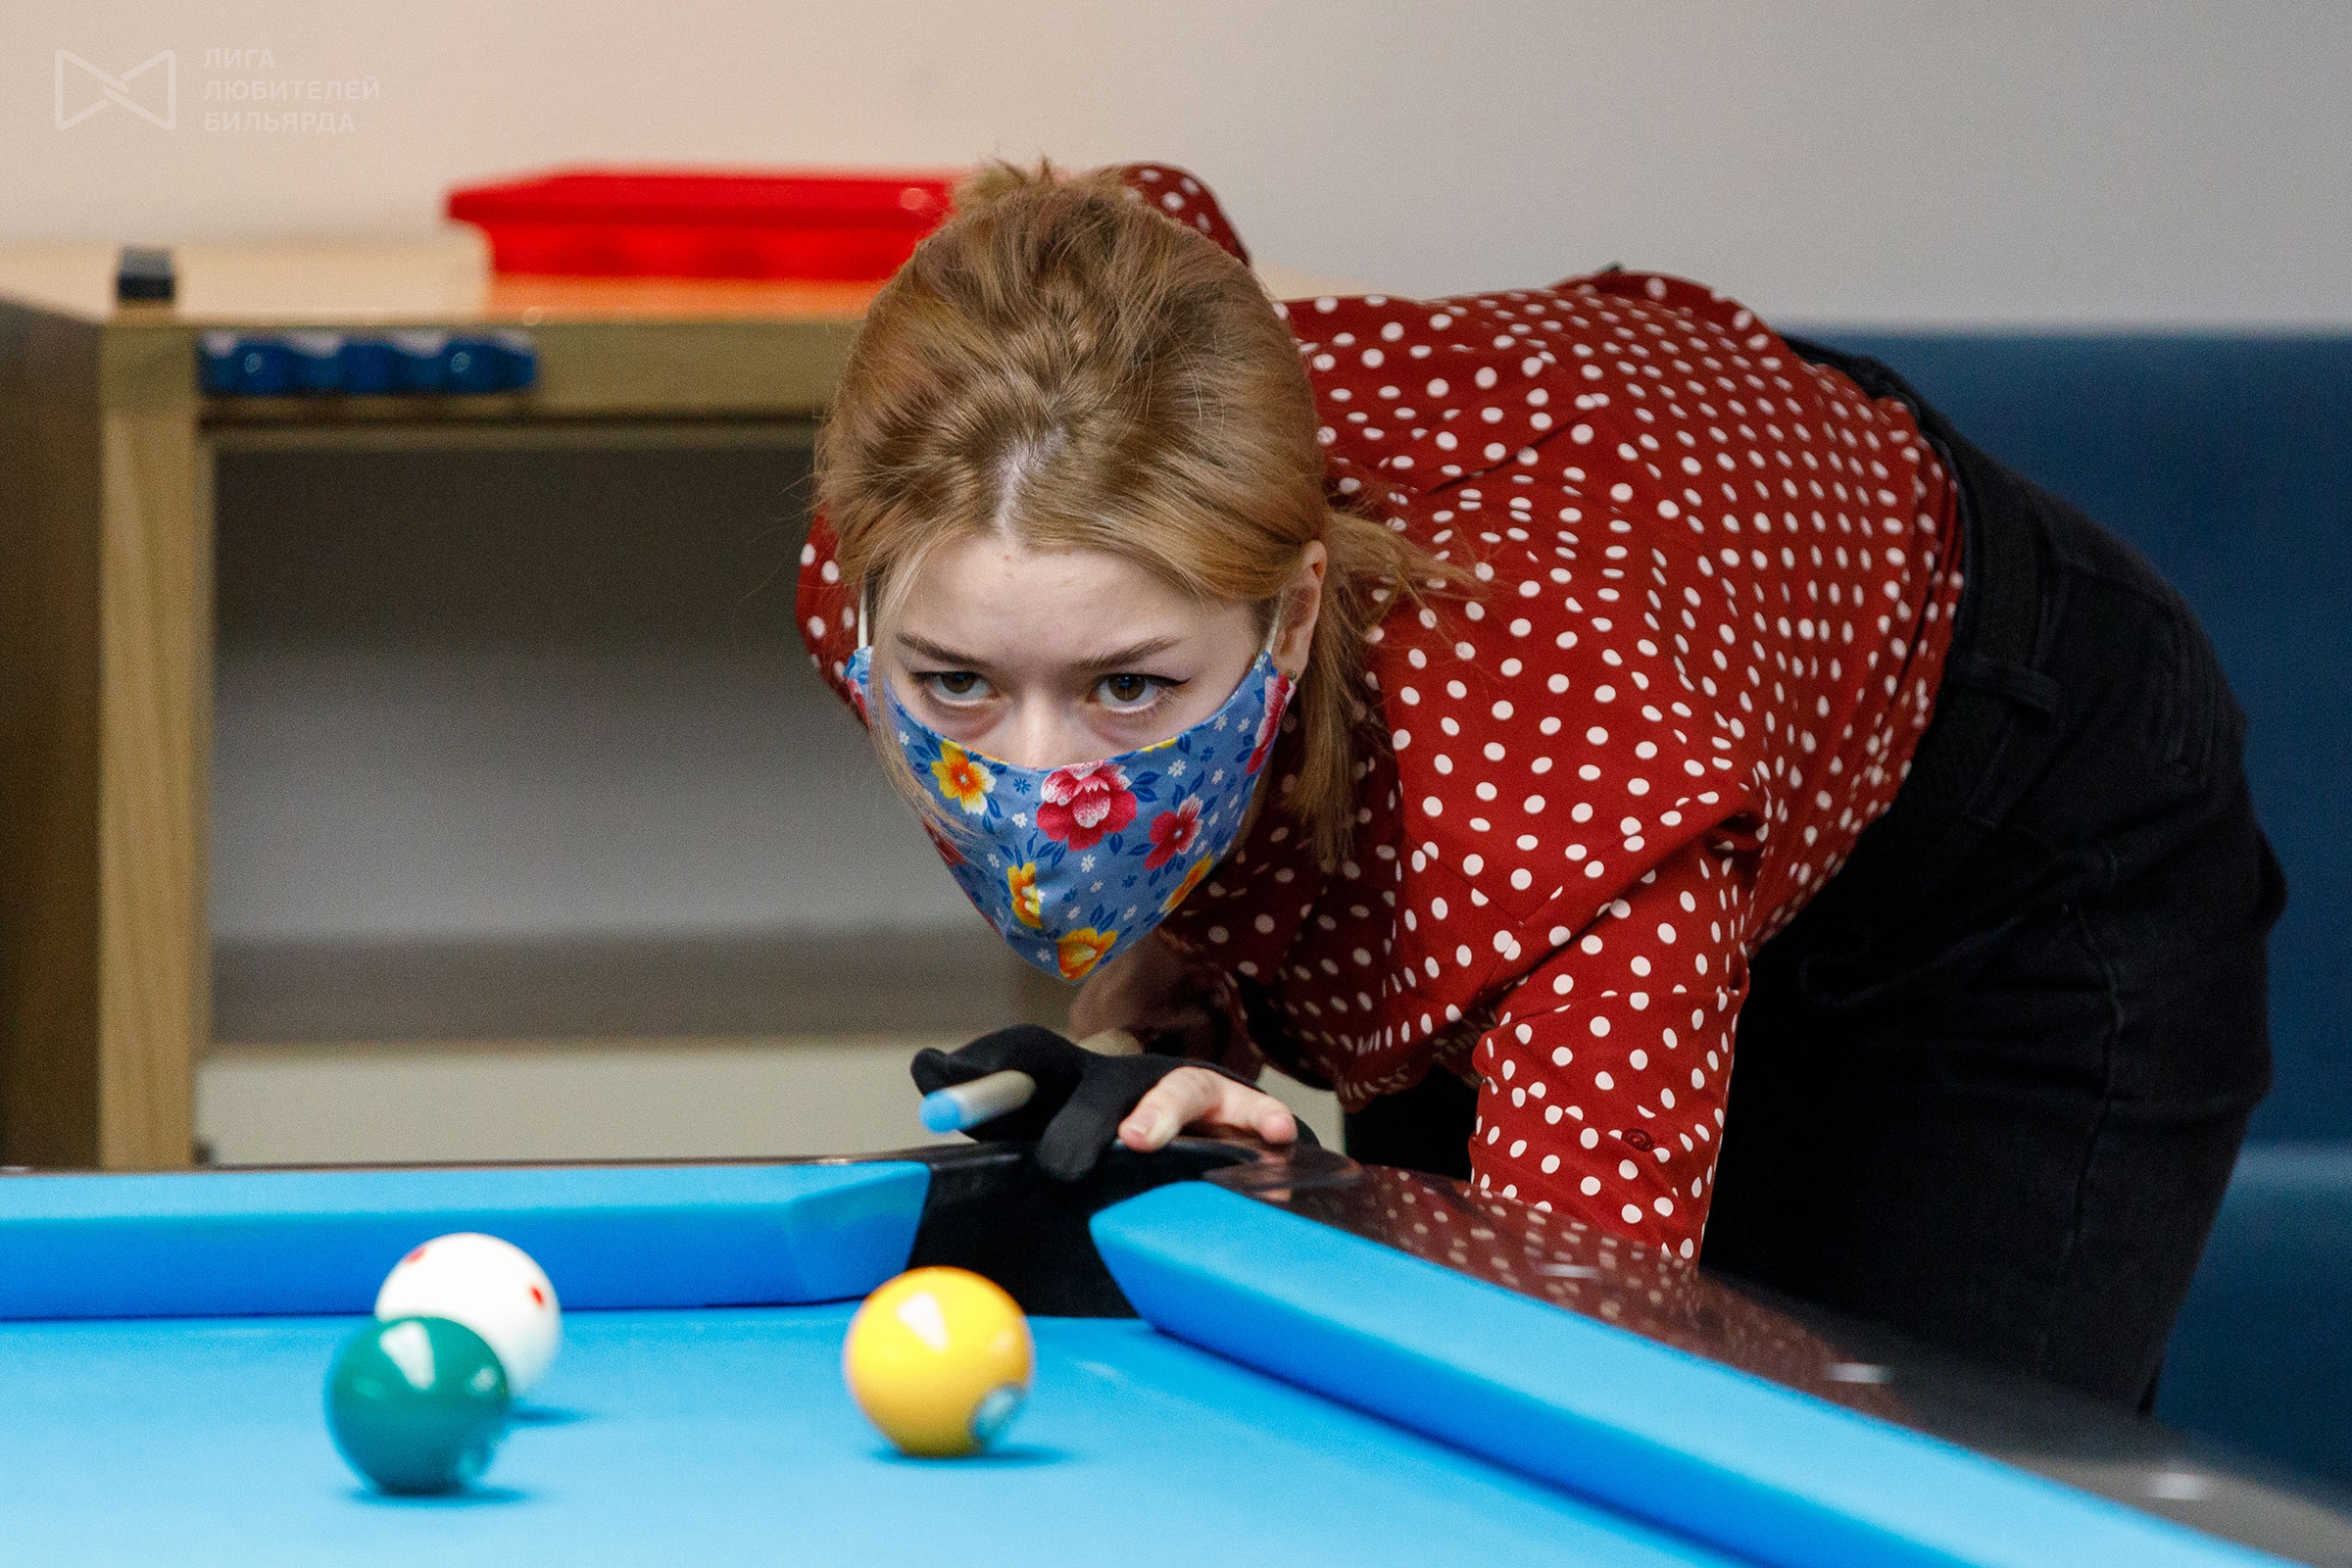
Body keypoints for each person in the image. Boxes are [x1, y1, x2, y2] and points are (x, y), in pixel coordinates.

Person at [796, 162, 2282, 1408]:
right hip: (1653, 694)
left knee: (1918, 1481)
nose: (1037, 780)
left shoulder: (1527, 805)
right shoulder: (917, 534)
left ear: (1294, 618)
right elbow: (1145, 219)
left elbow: (1556, 1373)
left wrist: (1317, 1218)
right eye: (959, 684)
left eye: (1130, 688)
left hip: (2002, 840)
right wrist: (1203, 1003)